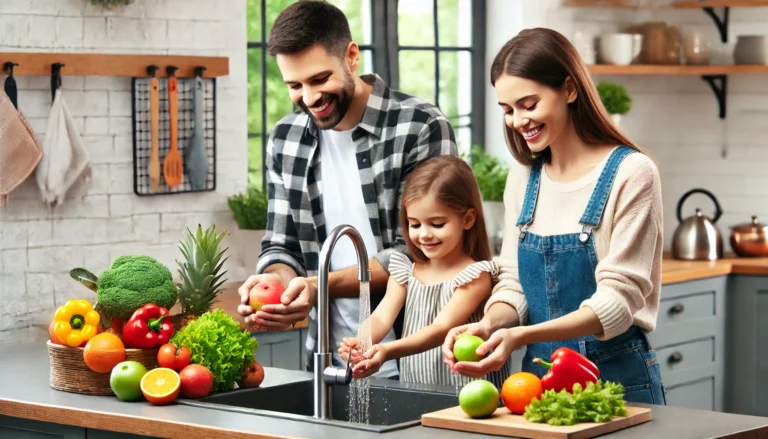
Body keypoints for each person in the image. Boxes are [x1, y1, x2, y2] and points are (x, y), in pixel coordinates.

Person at [441, 28, 666, 405]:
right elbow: (514, 280)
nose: (517, 121)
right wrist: (490, 324)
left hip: (617, 381)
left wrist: (522, 336)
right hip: (537, 380)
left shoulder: (632, 172)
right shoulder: (523, 177)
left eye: (529, 104)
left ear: (569, 89)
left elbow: (617, 302)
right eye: (508, 110)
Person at [236, 0, 458, 378]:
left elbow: (421, 251)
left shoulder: (419, 127)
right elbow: (281, 245)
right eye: (295, 85)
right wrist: (276, 282)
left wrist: (317, 285)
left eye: (320, 79)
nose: (309, 98)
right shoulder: (285, 140)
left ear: (351, 56)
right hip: (330, 363)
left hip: (419, 358)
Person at [338, 156, 511, 388]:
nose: (424, 234)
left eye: (437, 224)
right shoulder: (405, 271)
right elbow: (381, 317)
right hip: (417, 390)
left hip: (470, 395)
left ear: (468, 219)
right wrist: (361, 342)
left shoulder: (476, 275)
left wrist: (387, 351)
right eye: (415, 224)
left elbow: (440, 329)